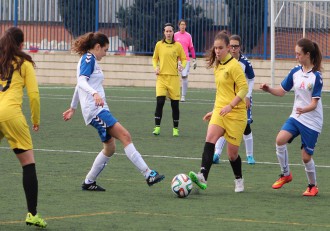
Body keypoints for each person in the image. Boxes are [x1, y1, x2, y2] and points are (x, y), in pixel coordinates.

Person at [63, 32, 165, 191]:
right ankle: (148, 174)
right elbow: (81, 81)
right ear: (97, 47)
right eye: (104, 50)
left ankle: (89, 182)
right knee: (125, 136)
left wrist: (73, 107)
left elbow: (79, 85)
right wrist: (94, 94)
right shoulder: (89, 59)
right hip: (96, 111)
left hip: (97, 109)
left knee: (110, 148)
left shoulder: (90, 60)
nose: (105, 53)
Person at [260, 38, 323, 197]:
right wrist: (268, 89)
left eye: (298, 54)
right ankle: (286, 174)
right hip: (297, 116)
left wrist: (304, 109)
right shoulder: (295, 72)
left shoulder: (316, 77)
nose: (296, 57)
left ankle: (312, 186)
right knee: (280, 140)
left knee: (306, 157)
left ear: (307, 54)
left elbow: (314, 104)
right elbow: (282, 91)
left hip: (312, 120)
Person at [188, 31, 248, 193]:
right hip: (221, 111)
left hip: (236, 114)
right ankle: (203, 176)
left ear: (228, 48)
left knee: (232, 155)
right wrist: (214, 110)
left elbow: (244, 89)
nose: (217, 51)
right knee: (210, 138)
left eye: (220, 48)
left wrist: (231, 105)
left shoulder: (234, 66)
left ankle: (239, 179)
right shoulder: (217, 65)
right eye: (215, 48)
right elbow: (221, 92)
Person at [0, 27, 47, 228]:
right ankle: (32, 214)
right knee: (28, 163)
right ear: (21, 44)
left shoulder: (1, 60)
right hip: (11, 115)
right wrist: (36, 119)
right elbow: (34, 95)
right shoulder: (25, 63)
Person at [213, 34, 256, 165]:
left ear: (240, 47)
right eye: (231, 46)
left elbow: (251, 79)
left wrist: (248, 96)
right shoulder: (223, 61)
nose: (233, 49)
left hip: (242, 100)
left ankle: (250, 155)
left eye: (235, 46)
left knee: (246, 127)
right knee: (222, 124)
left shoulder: (245, 63)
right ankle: (216, 154)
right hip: (227, 100)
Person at [152, 23, 187, 137]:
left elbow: (184, 58)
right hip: (161, 77)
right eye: (166, 31)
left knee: (175, 105)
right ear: (164, 32)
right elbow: (154, 58)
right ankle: (157, 127)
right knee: (160, 102)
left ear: (173, 32)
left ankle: (175, 129)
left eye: (170, 31)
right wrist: (155, 67)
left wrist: (182, 65)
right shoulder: (159, 45)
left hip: (174, 78)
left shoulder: (177, 46)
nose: (168, 33)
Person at [174, 19, 197, 102]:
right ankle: (173, 94)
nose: (183, 26)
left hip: (185, 60)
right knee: (173, 76)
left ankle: (183, 96)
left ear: (185, 26)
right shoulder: (175, 35)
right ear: (179, 26)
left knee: (184, 77)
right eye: (181, 24)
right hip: (175, 60)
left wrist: (194, 59)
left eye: (184, 24)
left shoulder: (188, 36)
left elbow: (191, 47)